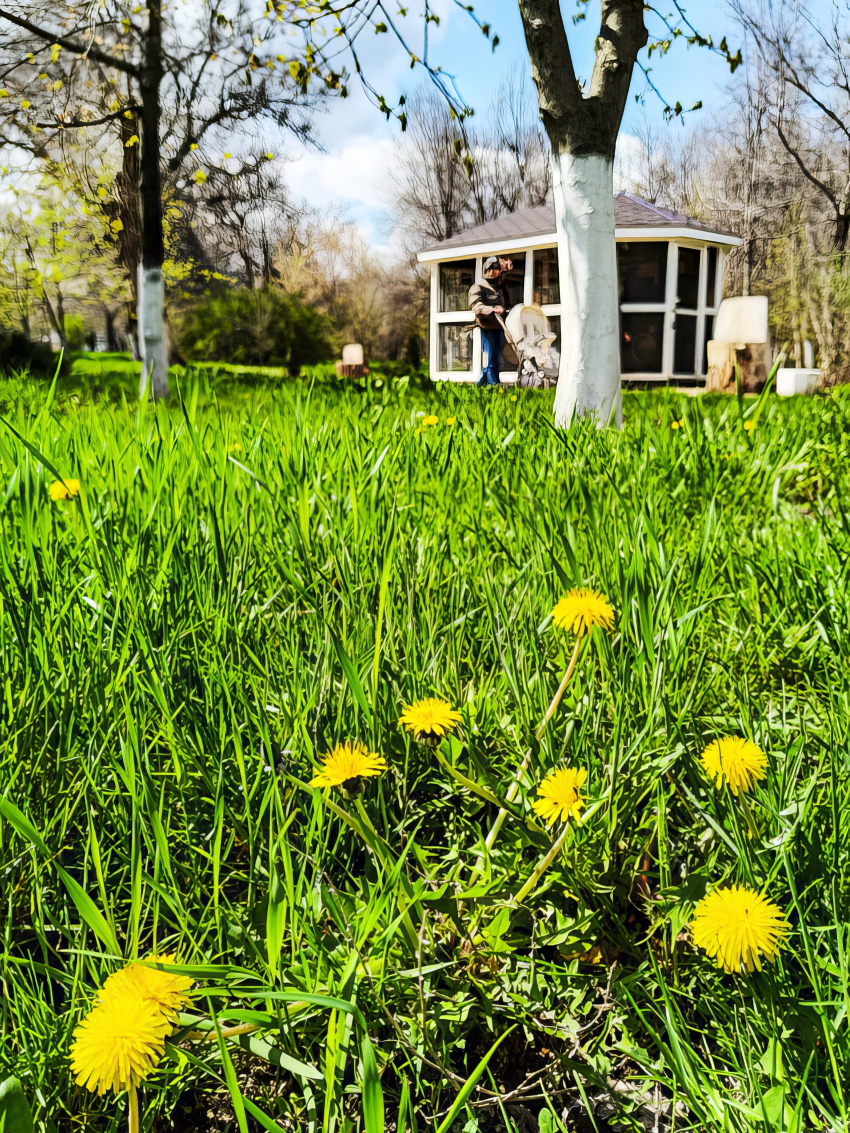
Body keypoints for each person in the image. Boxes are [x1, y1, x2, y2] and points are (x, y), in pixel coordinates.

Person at [468, 256, 513, 387]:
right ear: (485, 270)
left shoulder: (500, 286)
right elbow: (477, 307)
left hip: (500, 327)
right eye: (491, 269)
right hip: (487, 327)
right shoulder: (478, 287)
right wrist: (493, 309)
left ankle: (480, 386)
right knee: (491, 357)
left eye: (496, 269)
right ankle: (494, 385)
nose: (493, 272)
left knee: (495, 357)